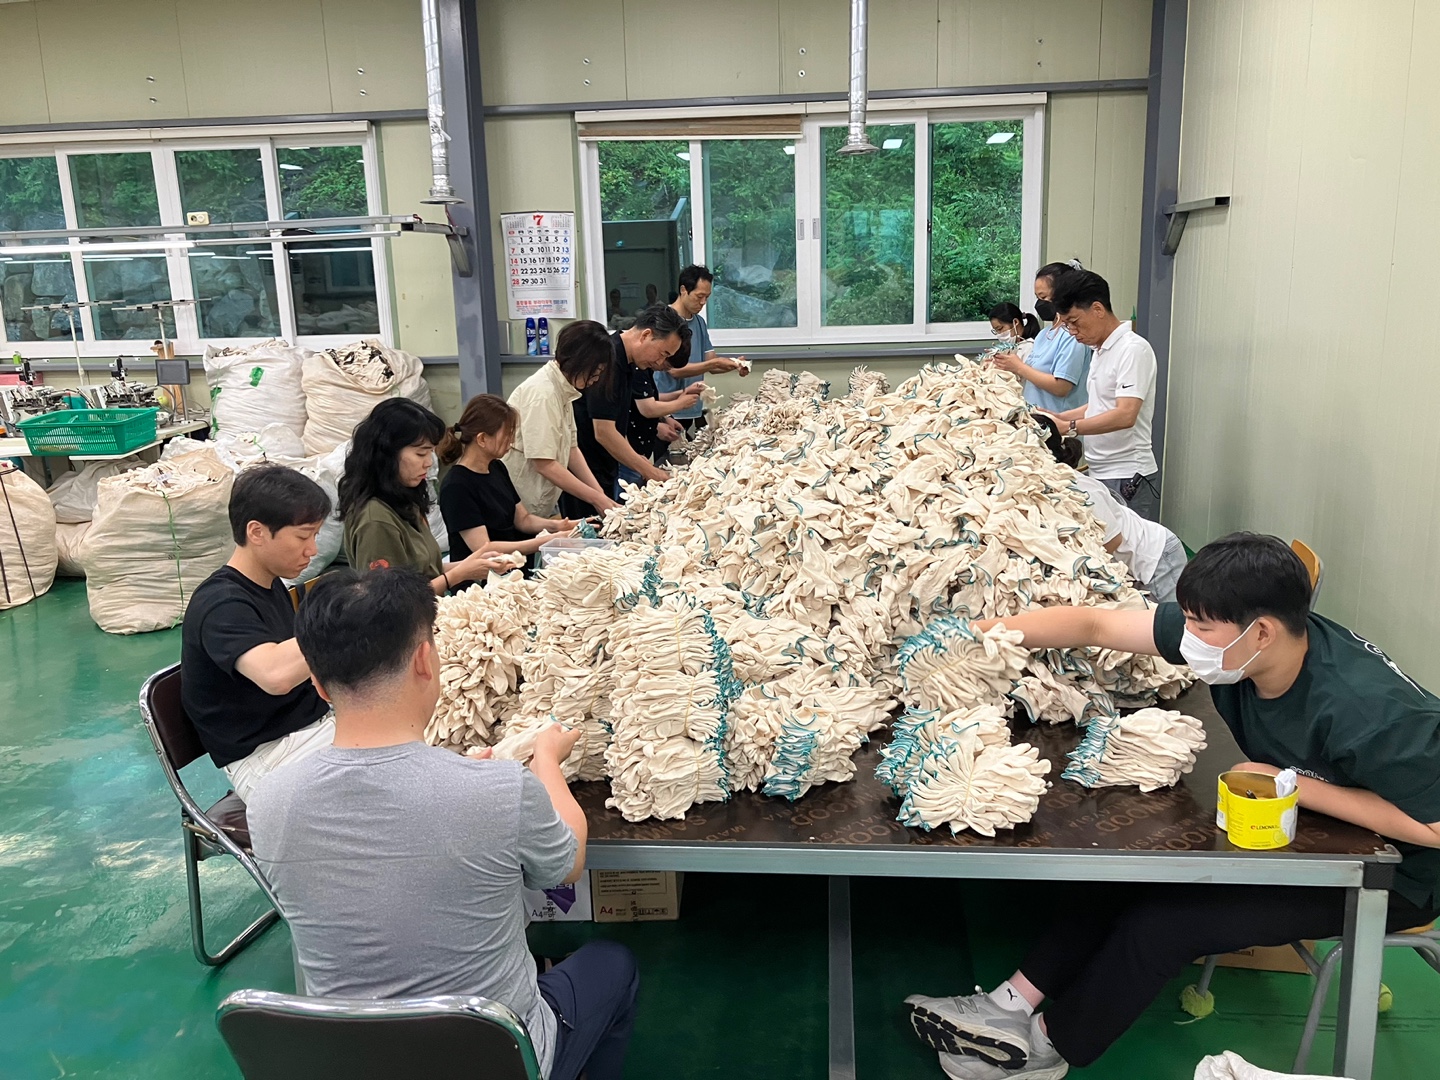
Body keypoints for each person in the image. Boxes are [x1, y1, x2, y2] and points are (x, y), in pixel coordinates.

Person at [904, 533, 1440, 1080]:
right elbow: (1095, 626)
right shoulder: (1243, 646)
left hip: (1397, 875)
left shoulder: (1368, 712)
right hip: (1305, 823)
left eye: (1202, 628)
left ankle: (1043, 1048)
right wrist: (973, 637)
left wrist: (1292, 783)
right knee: (1121, 865)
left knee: (1165, 925)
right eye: (1187, 622)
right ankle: (1009, 1005)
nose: (1189, 640)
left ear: (1262, 631)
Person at [248, 567, 639, 1080]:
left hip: (350, 1063)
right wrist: (546, 761)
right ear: (424, 659)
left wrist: (462, 782)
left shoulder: (269, 801)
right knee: (612, 964)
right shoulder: (498, 789)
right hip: (494, 1060)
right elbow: (567, 865)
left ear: (318, 685)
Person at [181, 465, 334, 802]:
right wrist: (347, 620)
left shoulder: (270, 585)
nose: (312, 549)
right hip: (267, 759)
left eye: (315, 536)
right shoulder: (220, 603)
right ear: (257, 532)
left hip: (312, 731)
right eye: (303, 536)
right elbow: (276, 675)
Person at [338, 398, 510, 595]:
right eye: (421, 454)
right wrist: (458, 575)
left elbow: (424, 570)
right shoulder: (375, 520)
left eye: (430, 453)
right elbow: (390, 599)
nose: (429, 463)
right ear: (388, 455)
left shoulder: (403, 500)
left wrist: (473, 564)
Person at [1041, 269, 1160, 520]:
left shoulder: (1132, 349)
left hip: (1127, 474)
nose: (1073, 331)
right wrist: (1057, 417)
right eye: (1067, 325)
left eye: (1074, 322)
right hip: (1101, 469)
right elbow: (1098, 405)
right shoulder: (1099, 350)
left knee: (1126, 542)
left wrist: (1069, 427)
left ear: (1097, 309)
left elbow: (1125, 415)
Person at [567, 304, 701, 516]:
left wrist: (643, 461)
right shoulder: (608, 359)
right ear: (646, 335)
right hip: (585, 471)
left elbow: (619, 421)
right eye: (662, 353)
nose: (660, 362)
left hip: (605, 465)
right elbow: (604, 432)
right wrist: (650, 471)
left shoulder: (629, 362)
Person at [1036, 415, 1186, 603]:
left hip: (1156, 558)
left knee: (1174, 618)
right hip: (1131, 566)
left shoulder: (1079, 488)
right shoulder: (1043, 487)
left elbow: (1113, 540)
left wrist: (1077, 568)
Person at [438, 393, 577, 571]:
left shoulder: (497, 467)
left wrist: (557, 526)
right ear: (482, 439)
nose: (511, 442)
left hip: (514, 571)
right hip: (484, 580)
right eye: (507, 435)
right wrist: (545, 541)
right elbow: (484, 549)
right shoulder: (456, 486)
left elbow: (523, 519)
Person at [504, 319, 619, 520]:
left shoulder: (563, 390)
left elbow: (572, 450)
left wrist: (600, 495)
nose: (596, 379)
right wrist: (596, 498)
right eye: (596, 372)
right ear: (580, 361)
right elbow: (544, 464)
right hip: (518, 505)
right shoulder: (543, 393)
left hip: (538, 504)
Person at [655, 264, 749, 434]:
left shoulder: (699, 322)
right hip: (666, 409)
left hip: (691, 406)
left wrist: (734, 364)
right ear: (683, 290)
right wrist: (715, 363)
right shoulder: (665, 320)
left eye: (707, 297)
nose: (703, 302)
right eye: (699, 296)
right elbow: (674, 370)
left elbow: (710, 362)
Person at [990, 265, 1091, 416]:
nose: (1040, 304)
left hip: (1059, 421)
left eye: (1043, 298)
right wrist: (1003, 365)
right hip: (1034, 419)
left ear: (1063, 295)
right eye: (1038, 298)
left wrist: (1019, 367)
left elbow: (1062, 387)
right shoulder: (1043, 335)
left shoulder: (1072, 336)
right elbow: (1032, 376)